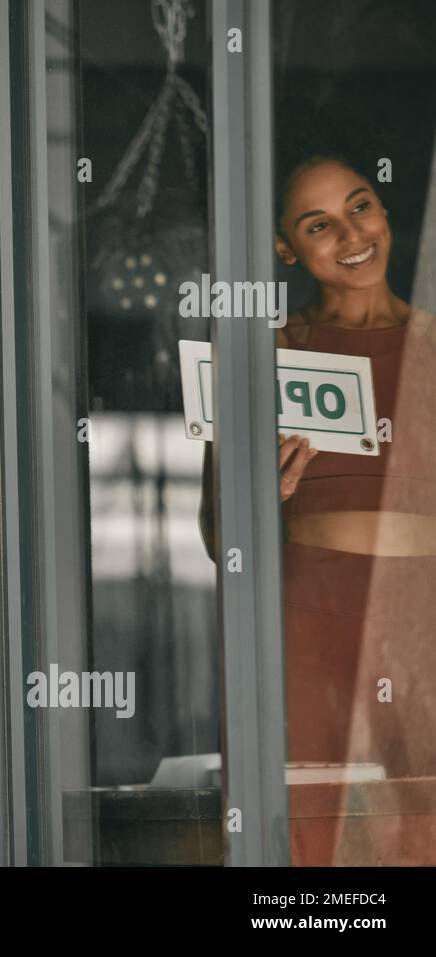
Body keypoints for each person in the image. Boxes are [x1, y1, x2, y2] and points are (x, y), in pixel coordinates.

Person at [200, 149, 436, 793]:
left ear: (383, 207)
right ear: (284, 248)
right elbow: (221, 541)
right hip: (309, 615)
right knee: (307, 827)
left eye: (359, 205)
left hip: (427, 617)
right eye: (318, 223)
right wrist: (261, 498)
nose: (352, 234)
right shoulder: (265, 351)